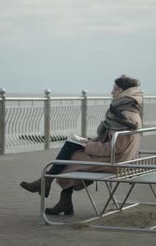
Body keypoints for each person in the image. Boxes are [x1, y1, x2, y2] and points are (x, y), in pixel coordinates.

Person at [20, 74, 143, 215]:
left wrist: (88, 146)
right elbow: (113, 142)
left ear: (123, 92)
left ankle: (48, 184)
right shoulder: (129, 111)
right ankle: (57, 194)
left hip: (116, 163)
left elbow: (114, 149)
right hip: (122, 159)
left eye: (115, 89)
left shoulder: (124, 115)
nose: (111, 92)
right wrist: (90, 142)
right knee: (72, 147)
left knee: (71, 157)